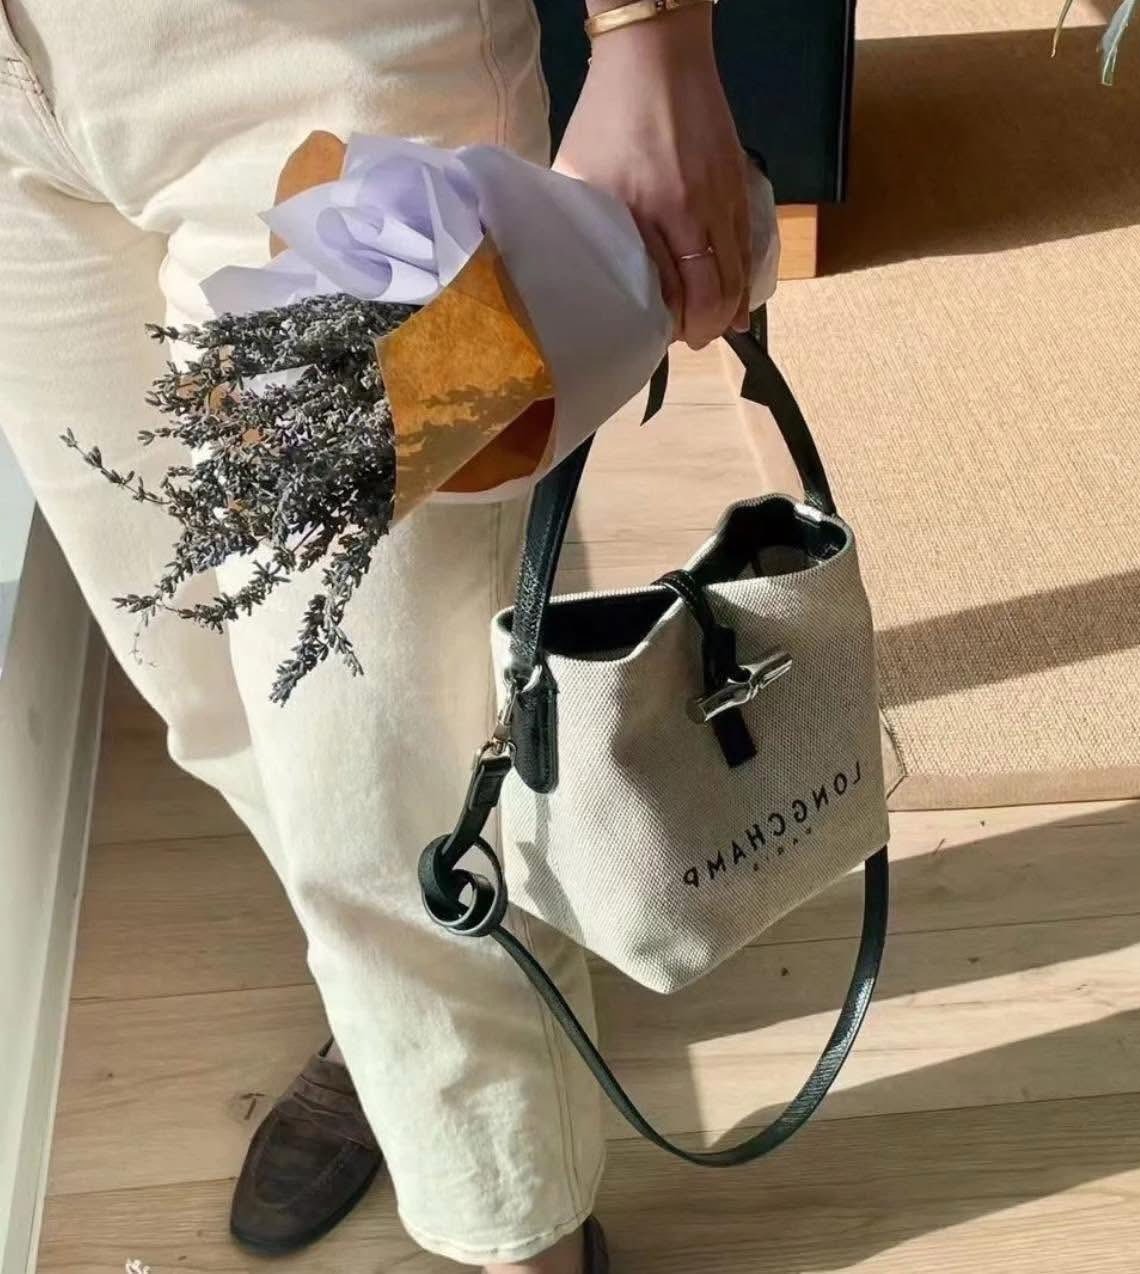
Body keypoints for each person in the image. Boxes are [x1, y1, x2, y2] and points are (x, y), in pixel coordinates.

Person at [0, 1, 751, 1271]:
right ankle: (393, 1022)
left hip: (307, 55)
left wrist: (652, 31)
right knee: (209, 693)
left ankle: (518, 1225)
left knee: (393, 753)